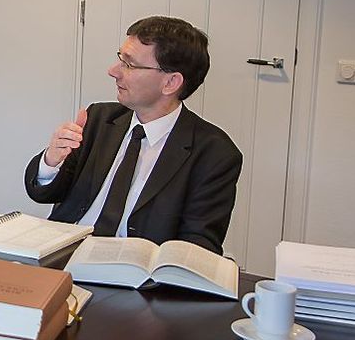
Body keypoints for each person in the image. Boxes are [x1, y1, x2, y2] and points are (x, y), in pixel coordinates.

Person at [24, 16, 242, 254]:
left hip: (137, 276)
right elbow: (42, 193)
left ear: (170, 82)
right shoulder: (98, 119)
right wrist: (51, 162)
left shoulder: (214, 153)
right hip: (64, 256)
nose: (113, 71)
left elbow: (199, 246)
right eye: (120, 59)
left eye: (129, 64)